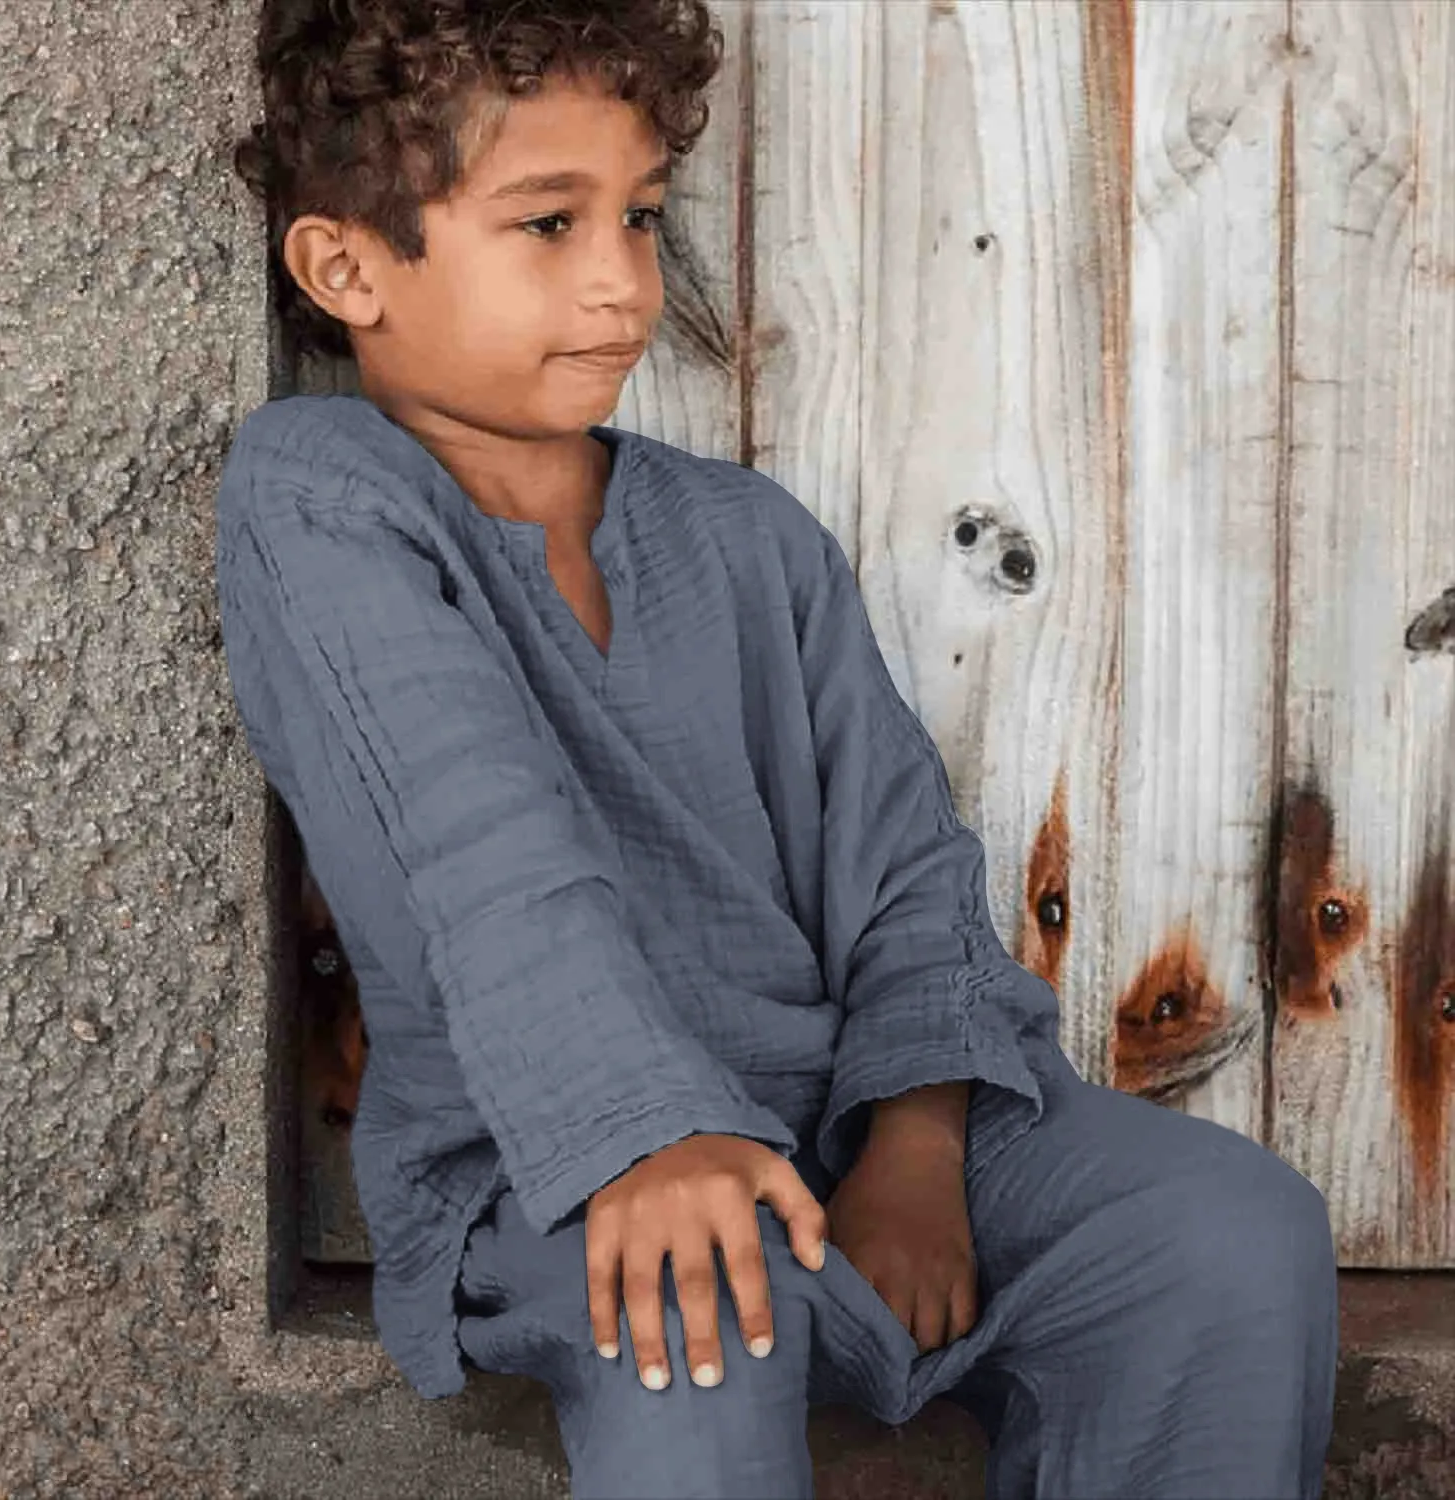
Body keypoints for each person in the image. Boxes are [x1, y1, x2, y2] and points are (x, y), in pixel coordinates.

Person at [216, 3, 1339, 1495]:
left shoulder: (745, 538)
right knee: (690, 1307)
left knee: (1225, 1230)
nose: (621, 281)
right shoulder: (322, 497)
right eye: (548, 223)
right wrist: (646, 1139)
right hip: (552, 1161)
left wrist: (916, 1148)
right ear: (345, 267)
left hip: (836, 1123)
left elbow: (902, 866)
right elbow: (472, 845)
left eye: (639, 216)